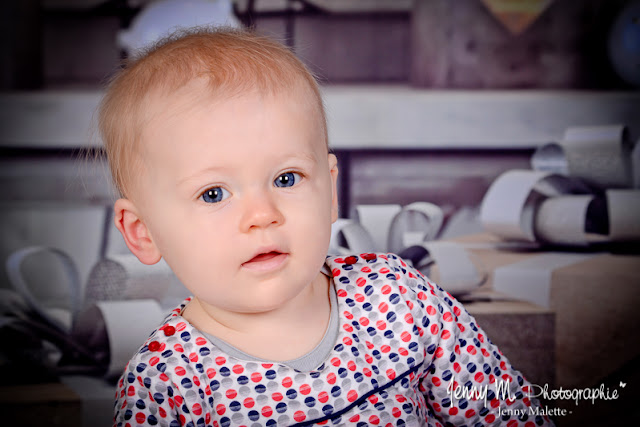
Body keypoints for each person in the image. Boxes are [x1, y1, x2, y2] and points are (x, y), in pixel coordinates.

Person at [100, 27, 552, 426]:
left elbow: (504, 411)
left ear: (330, 191)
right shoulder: (167, 384)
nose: (263, 215)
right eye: (213, 194)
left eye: (286, 178)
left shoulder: (395, 298)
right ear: (144, 231)